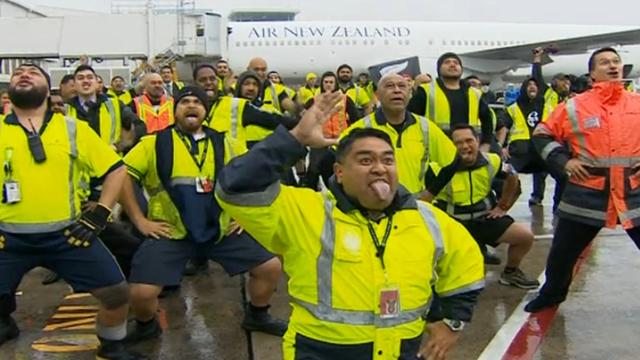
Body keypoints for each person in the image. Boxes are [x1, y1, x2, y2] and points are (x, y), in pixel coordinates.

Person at [215, 90, 485, 360]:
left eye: (388, 160)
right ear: (339, 173)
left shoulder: (427, 218)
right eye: (365, 160)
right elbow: (235, 188)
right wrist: (295, 139)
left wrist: (452, 322)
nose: (380, 168)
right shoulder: (305, 211)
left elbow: (466, 265)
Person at [0, 63, 145, 359]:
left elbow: (116, 170)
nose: (23, 74)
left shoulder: (73, 129)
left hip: (69, 235)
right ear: (8, 89)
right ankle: (4, 321)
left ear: (48, 88)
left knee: (117, 294)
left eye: (33, 72)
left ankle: (112, 345)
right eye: (18, 73)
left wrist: (101, 213)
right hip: (7, 240)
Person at [121, 86, 288, 340]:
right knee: (141, 294)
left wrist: (244, 217)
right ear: (174, 110)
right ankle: (146, 325)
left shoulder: (229, 144)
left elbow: (253, 179)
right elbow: (121, 177)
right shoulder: (153, 144)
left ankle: (257, 314)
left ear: (205, 112)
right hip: (171, 232)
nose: (191, 105)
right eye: (184, 101)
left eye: (197, 102)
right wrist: (139, 220)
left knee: (270, 267)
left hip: (220, 230)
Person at [526, 47, 640, 312]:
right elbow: (542, 134)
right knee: (562, 254)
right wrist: (564, 162)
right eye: (604, 63)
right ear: (592, 73)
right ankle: (552, 294)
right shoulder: (574, 106)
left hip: (633, 193)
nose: (612, 66)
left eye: (616, 61)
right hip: (586, 195)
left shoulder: (637, 103)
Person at [431, 125, 539, 289]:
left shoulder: (492, 160)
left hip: (485, 219)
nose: (465, 146)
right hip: (455, 224)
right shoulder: (437, 167)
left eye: (469, 141)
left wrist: (503, 206)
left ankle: (510, 273)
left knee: (525, 236)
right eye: (458, 143)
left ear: (478, 141)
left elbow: (513, 176)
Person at [337, 73, 459, 200]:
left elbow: (452, 161)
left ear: (410, 93)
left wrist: (430, 193)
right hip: (372, 206)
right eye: (390, 86)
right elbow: (333, 162)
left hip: (412, 207)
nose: (397, 90)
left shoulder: (425, 127)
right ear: (377, 95)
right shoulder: (361, 128)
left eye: (402, 86)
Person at [407, 52, 495, 152]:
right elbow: (411, 119)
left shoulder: (475, 93)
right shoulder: (426, 91)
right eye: (447, 62)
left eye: (456, 63)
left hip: (467, 150)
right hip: (435, 150)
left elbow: (487, 120)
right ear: (439, 69)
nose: (452, 64)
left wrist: (486, 144)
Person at [301, 71, 360, 190]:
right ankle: (310, 194)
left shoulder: (345, 99)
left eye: (331, 82)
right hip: (320, 140)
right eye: (326, 82)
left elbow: (356, 118)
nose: (328, 84)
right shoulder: (314, 100)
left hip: (340, 140)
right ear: (322, 84)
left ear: (335, 84)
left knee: (342, 169)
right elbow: (303, 117)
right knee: (314, 169)